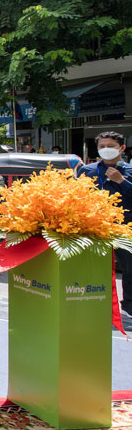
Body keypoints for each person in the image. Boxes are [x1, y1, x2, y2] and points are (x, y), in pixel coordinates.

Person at [77, 131, 132, 316]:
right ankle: (91, 301)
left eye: (111, 146)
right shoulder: (87, 170)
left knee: (129, 267)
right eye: (102, 146)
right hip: (94, 226)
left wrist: (121, 181)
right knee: (92, 267)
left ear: (122, 148)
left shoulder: (129, 171)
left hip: (124, 227)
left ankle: (128, 307)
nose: (106, 149)